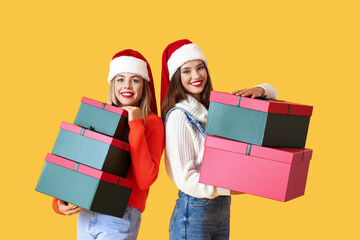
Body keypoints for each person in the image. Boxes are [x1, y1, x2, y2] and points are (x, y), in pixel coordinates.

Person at [161, 39, 278, 240]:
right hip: (195, 211)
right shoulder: (179, 117)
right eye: (186, 71)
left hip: (221, 208)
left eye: (200, 68)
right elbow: (186, 180)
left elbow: (273, 91)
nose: (196, 76)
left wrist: (259, 90)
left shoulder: (212, 110)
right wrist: (236, 186)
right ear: (176, 78)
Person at [52, 49, 165, 240]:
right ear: (113, 84)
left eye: (135, 80)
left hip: (120, 215)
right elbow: (78, 163)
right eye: (120, 79)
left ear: (144, 86)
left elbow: (145, 179)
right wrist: (59, 201)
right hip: (87, 213)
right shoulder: (101, 117)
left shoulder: (152, 122)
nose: (127, 86)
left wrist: (135, 123)